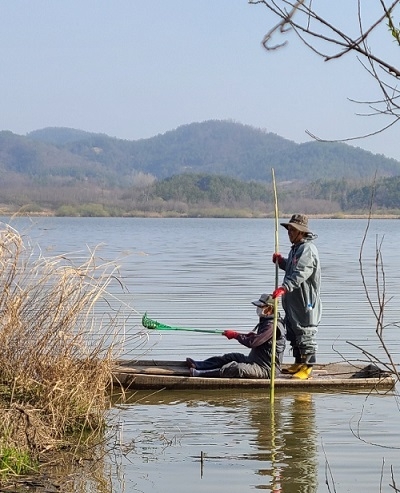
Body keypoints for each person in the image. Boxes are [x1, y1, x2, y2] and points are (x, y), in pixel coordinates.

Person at [186, 293, 286, 378]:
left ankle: (201, 374)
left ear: (270, 308)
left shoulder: (272, 326)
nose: (258, 309)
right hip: (253, 360)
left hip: (266, 369)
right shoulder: (266, 321)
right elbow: (260, 339)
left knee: (238, 368)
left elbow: (252, 342)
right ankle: (199, 365)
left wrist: (235, 335)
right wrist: (249, 335)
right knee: (231, 357)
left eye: (261, 307)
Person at [272, 214, 321, 380]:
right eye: (289, 229)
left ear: (301, 232)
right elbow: (292, 267)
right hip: (293, 301)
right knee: (293, 330)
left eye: (293, 230)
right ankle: (299, 362)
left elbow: (301, 272)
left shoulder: (308, 249)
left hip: (305, 301)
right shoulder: (296, 248)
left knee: (305, 331)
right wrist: (281, 262)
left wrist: (284, 288)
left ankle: (308, 367)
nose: (289, 233)